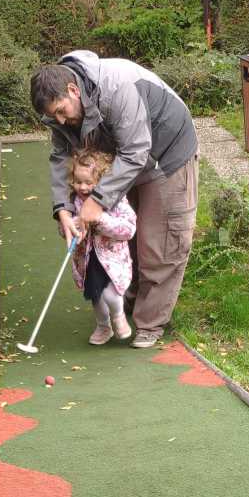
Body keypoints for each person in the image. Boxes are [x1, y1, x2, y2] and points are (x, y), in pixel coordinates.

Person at [30, 50, 199, 349]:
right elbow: (61, 157)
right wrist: (63, 209)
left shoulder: (117, 88)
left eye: (61, 111)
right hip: (120, 158)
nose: (60, 120)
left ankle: (150, 323)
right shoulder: (62, 112)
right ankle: (128, 301)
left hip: (166, 155)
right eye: (53, 116)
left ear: (73, 90)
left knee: (158, 243)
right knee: (122, 238)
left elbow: (135, 151)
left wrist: (97, 200)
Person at [69, 149, 136, 346]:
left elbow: (128, 229)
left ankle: (118, 316)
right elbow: (66, 228)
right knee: (96, 295)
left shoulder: (116, 200)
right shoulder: (74, 201)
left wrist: (100, 219)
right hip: (88, 258)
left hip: (113, 258)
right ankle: (103, 326)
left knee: (110, 294)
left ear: (101, 182)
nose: (82, 187)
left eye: (88, 182)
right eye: (77, 181)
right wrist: (73, 226)